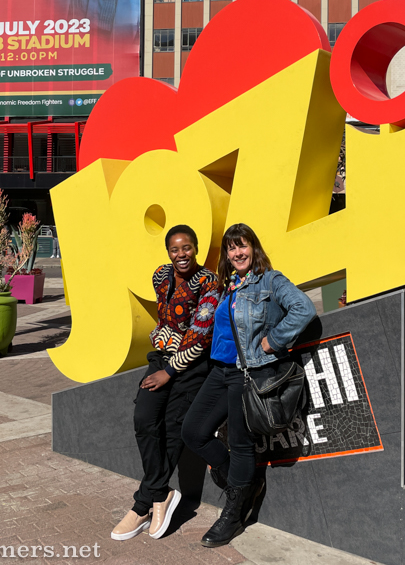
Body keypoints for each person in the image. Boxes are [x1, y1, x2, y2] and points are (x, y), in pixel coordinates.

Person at [181, 223, 317, 548]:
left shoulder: (270, 280)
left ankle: (234, 513)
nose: (237, 253)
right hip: (220, 370)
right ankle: (243, 485)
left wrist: (275, 340)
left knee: (241, 443)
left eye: (243, 246)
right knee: (193, 431)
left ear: (254, 248)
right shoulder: (230, 284)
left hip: (248, 372)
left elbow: (304, 308)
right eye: (231, 248)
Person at [111, 225, 219, 542]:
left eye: (186, 248)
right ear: (168, 252)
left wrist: (169, 372)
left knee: (172, 429)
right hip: (161, 358)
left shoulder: (210, 282)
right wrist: (163, 354)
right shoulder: (161, 276)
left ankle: (142, 505)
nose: (181, 254)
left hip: (192, 367)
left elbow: (200, 337)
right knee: (144, 418)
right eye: (174, 249)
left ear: (196, 248)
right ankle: (161, 494)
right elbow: (165, 318)